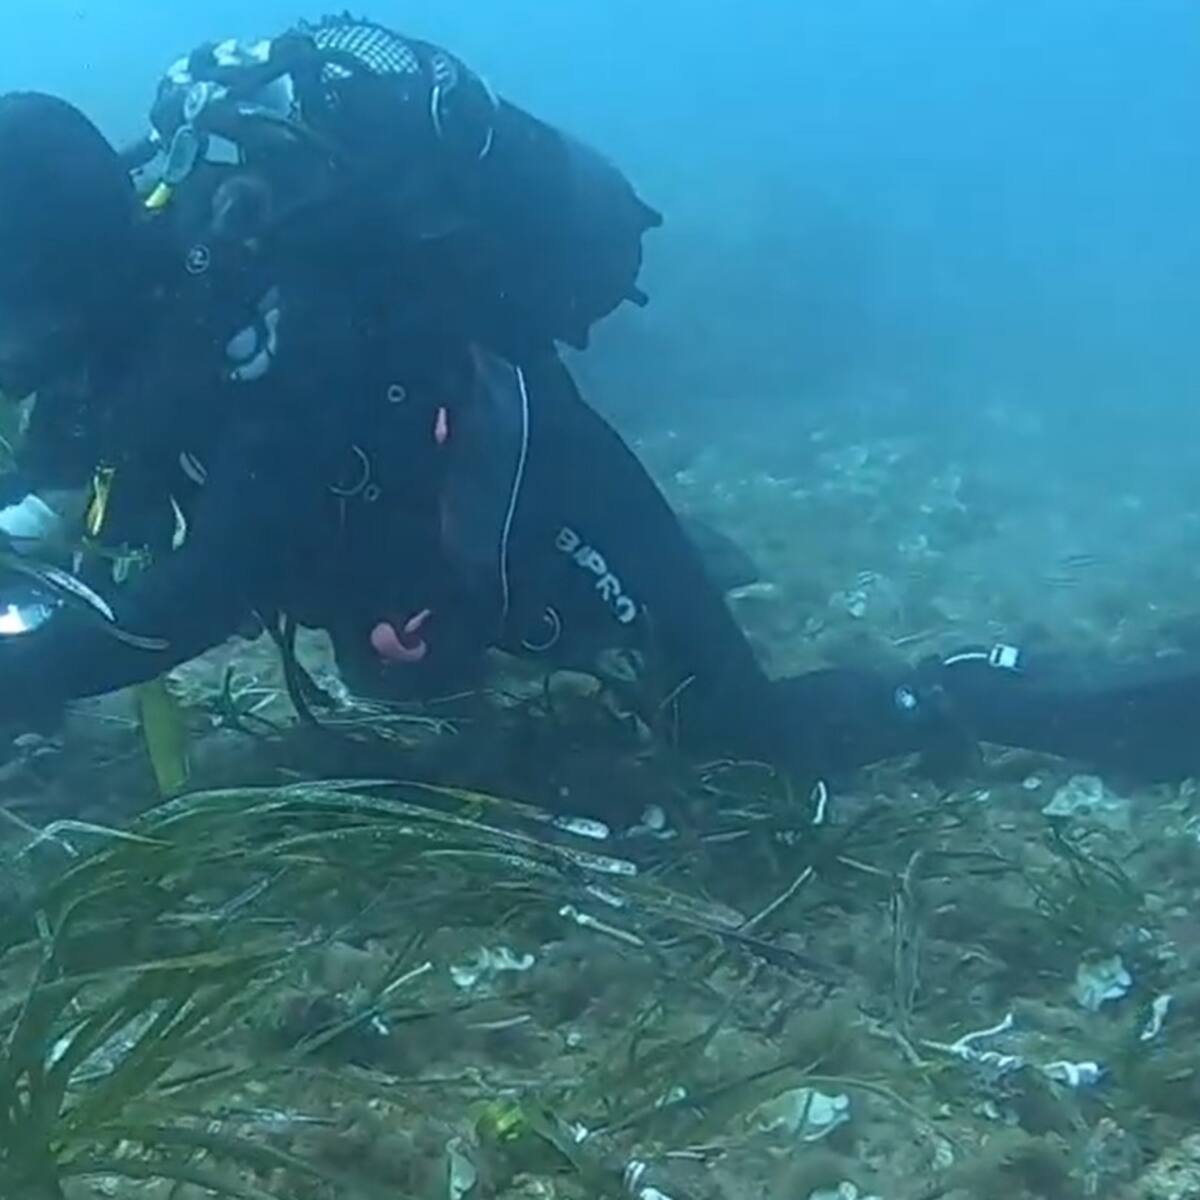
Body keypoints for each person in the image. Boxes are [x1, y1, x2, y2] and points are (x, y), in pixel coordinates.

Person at [0, 15, 1197, 791]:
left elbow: (195, 596)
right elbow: (75, 481)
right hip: (411, 541)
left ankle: (1025, 696)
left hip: (543, 473)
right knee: (417, 676)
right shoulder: (141, 313)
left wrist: (26, 673)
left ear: (71, 273)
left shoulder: (271, 316)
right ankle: (681, 576)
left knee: (743, 742)